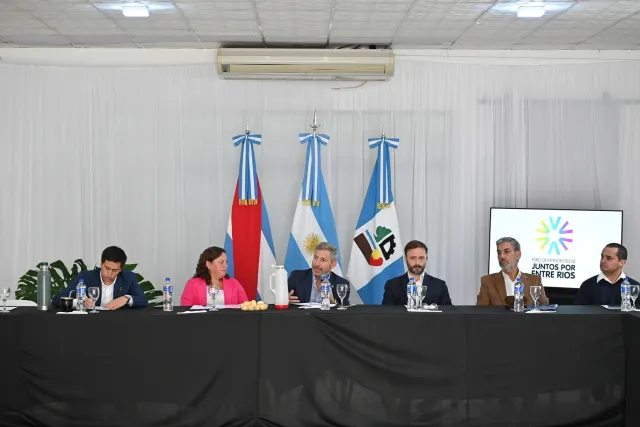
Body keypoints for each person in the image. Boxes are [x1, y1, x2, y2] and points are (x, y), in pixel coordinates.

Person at [52, 246, 148, 309]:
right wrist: (78, 302)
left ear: (120, 269)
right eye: (107, 268)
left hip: (119, 323)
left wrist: (126, 298)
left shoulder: (129, 278)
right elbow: (57, 299)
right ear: (101, 264)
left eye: (114, 270)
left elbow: (144, 301)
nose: (109, 274)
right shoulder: (86, 276)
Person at [477, 237, 549, 306]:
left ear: (518, 255)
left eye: (506, 252)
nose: (501, 256)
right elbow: (480, 311)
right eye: (499, 253)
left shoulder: (535, 280)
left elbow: (545, 308)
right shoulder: (487, 281)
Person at [382, 240, 452, 306]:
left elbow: (448, 312)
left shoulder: (440, 285)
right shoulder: (392, 285)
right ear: (406, 259)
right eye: (413, 258)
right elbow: (386, 313)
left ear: (426, 259)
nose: (417, 263)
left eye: (421, 258)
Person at [575, 243, 640, 305]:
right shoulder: (587, 285)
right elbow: (578, 312)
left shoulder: (635, 287)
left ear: (622, 263)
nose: (602, 261)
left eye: (608, 258)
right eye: (602, 257)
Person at [181, 246, 248, 306]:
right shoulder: (192, 284)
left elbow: (246, 307)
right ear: (208, 264)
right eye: (221, 262)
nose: (226, 265)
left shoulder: (234, 283)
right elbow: (185, 311)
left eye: (226, 262)